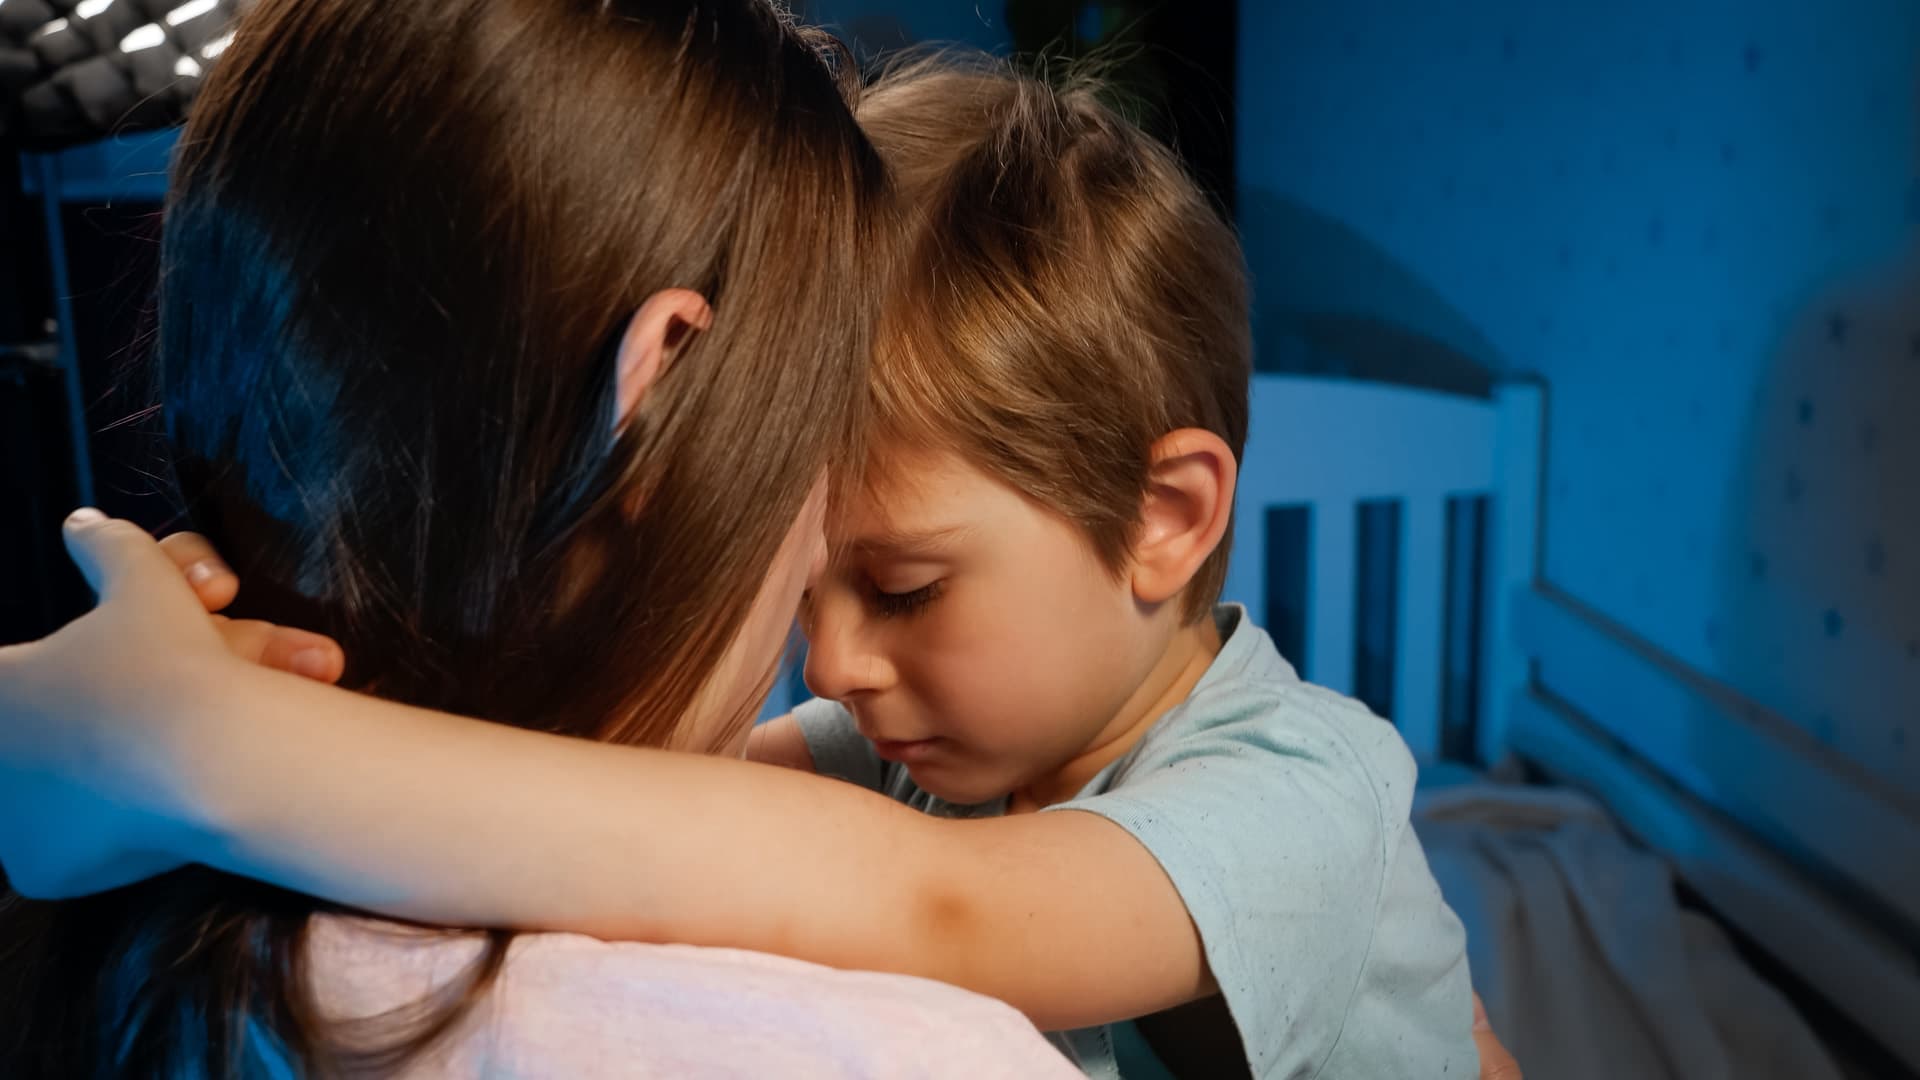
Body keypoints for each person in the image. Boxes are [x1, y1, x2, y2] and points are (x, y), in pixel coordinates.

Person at [0, 55, 1529, 1078]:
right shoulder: (931, 744)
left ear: (1170, 518)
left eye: (907, 588)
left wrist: (207, 746)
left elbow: (945, 913)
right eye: (809, 593)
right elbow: (625, 811)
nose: (841, 665)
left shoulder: (1306, 787)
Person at [0, 2, 1081, 1075]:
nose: (827, 645)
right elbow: (945, 904)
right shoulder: (903, 1052)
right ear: (656, 399)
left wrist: (169, 746)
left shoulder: (94, 908)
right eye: (819, 423)